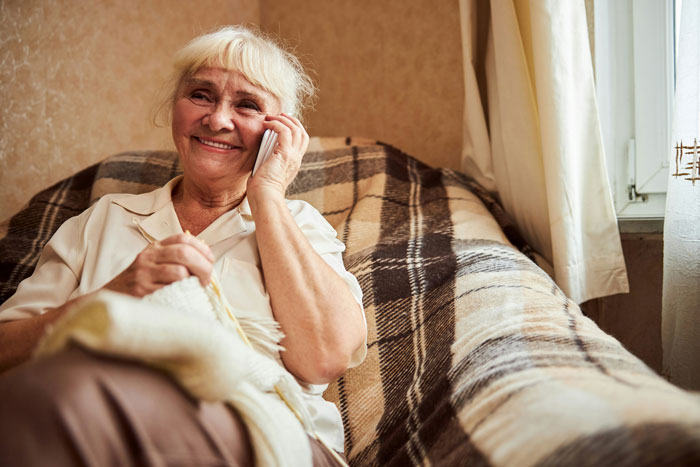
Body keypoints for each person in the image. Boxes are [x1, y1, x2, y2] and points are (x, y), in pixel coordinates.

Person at [0, 25, 367, 466]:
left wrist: (266, 192)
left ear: (277, 134)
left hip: (274, 441)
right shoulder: (105, 217)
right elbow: (6, 352)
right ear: (174, 107)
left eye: (246, 105)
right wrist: (113, 296)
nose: (217, 120)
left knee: (63, 398)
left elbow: (325, 357)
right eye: (201, 95)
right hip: (94, 420)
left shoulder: (299, 226)